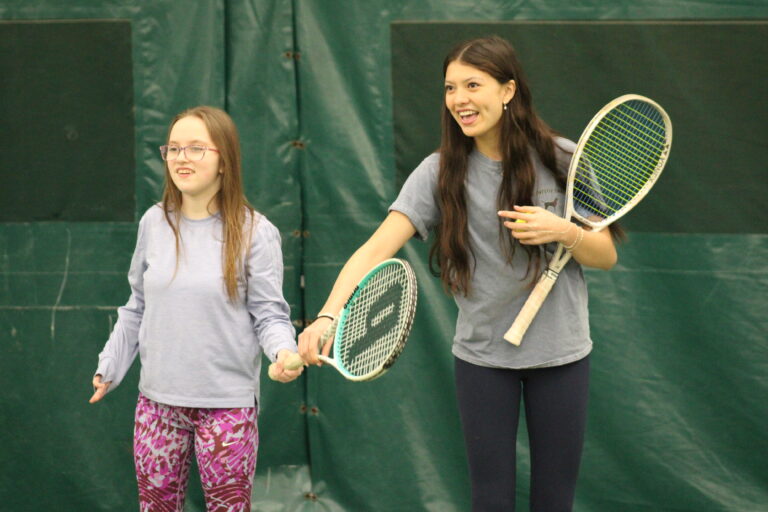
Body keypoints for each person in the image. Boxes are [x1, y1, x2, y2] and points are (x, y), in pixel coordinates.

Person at [298, 36, 621, 511]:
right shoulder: (438, 172)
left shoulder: (564, 158)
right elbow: (374, 249)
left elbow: (606, 254)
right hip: (482, 362)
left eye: (474, 85)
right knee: (490, 500)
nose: (460, 100)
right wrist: (328, 315)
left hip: (562, 359)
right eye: (451, 88)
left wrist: (563, 232)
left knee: (555, 500)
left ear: (508, 90)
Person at [89, 106, 303, 512]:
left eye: (195, 148)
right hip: (156, 406)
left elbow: (270, 315)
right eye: (173, 148)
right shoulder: (153, 223)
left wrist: (284, 353)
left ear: (225, 160)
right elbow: (136, 306)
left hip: (228, 409)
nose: (181, 158)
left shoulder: (257, 232)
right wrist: (110, 365)